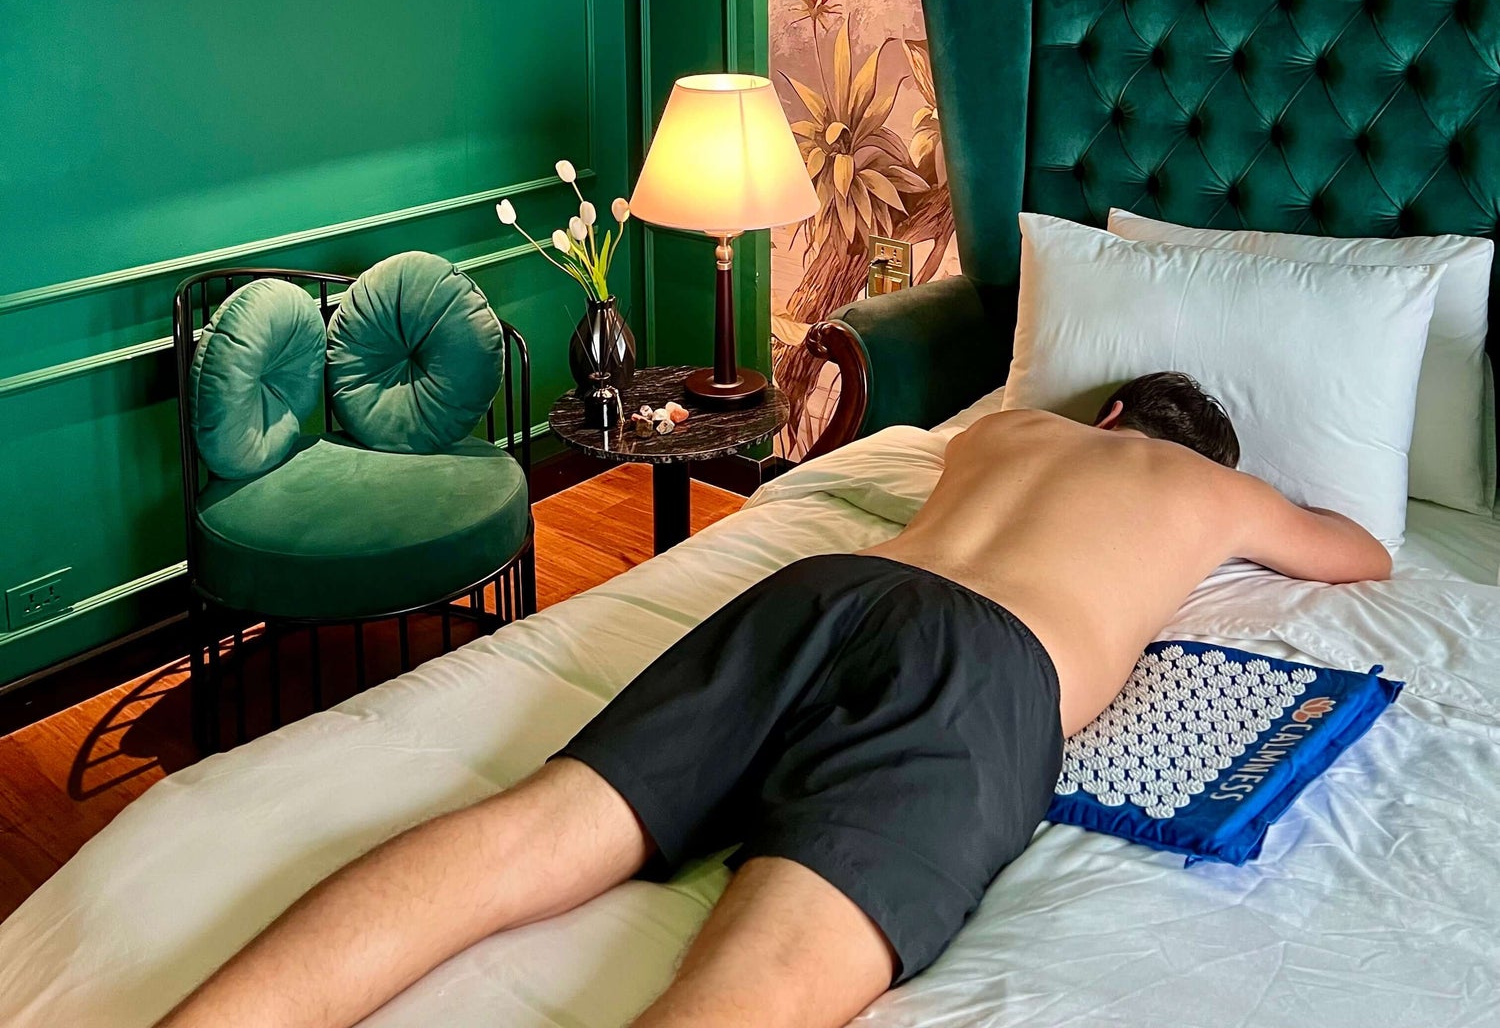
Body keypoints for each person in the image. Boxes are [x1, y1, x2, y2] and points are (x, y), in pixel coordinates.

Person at [158, 372, 1390, 1028]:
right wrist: (1246, 511)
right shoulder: (1211, 492)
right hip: (985, 672)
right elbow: (1363, 552)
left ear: (1109, 410)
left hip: (825, 594)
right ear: (1181, 446)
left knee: (523, 834)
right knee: (751, 989)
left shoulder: (1002, 430)